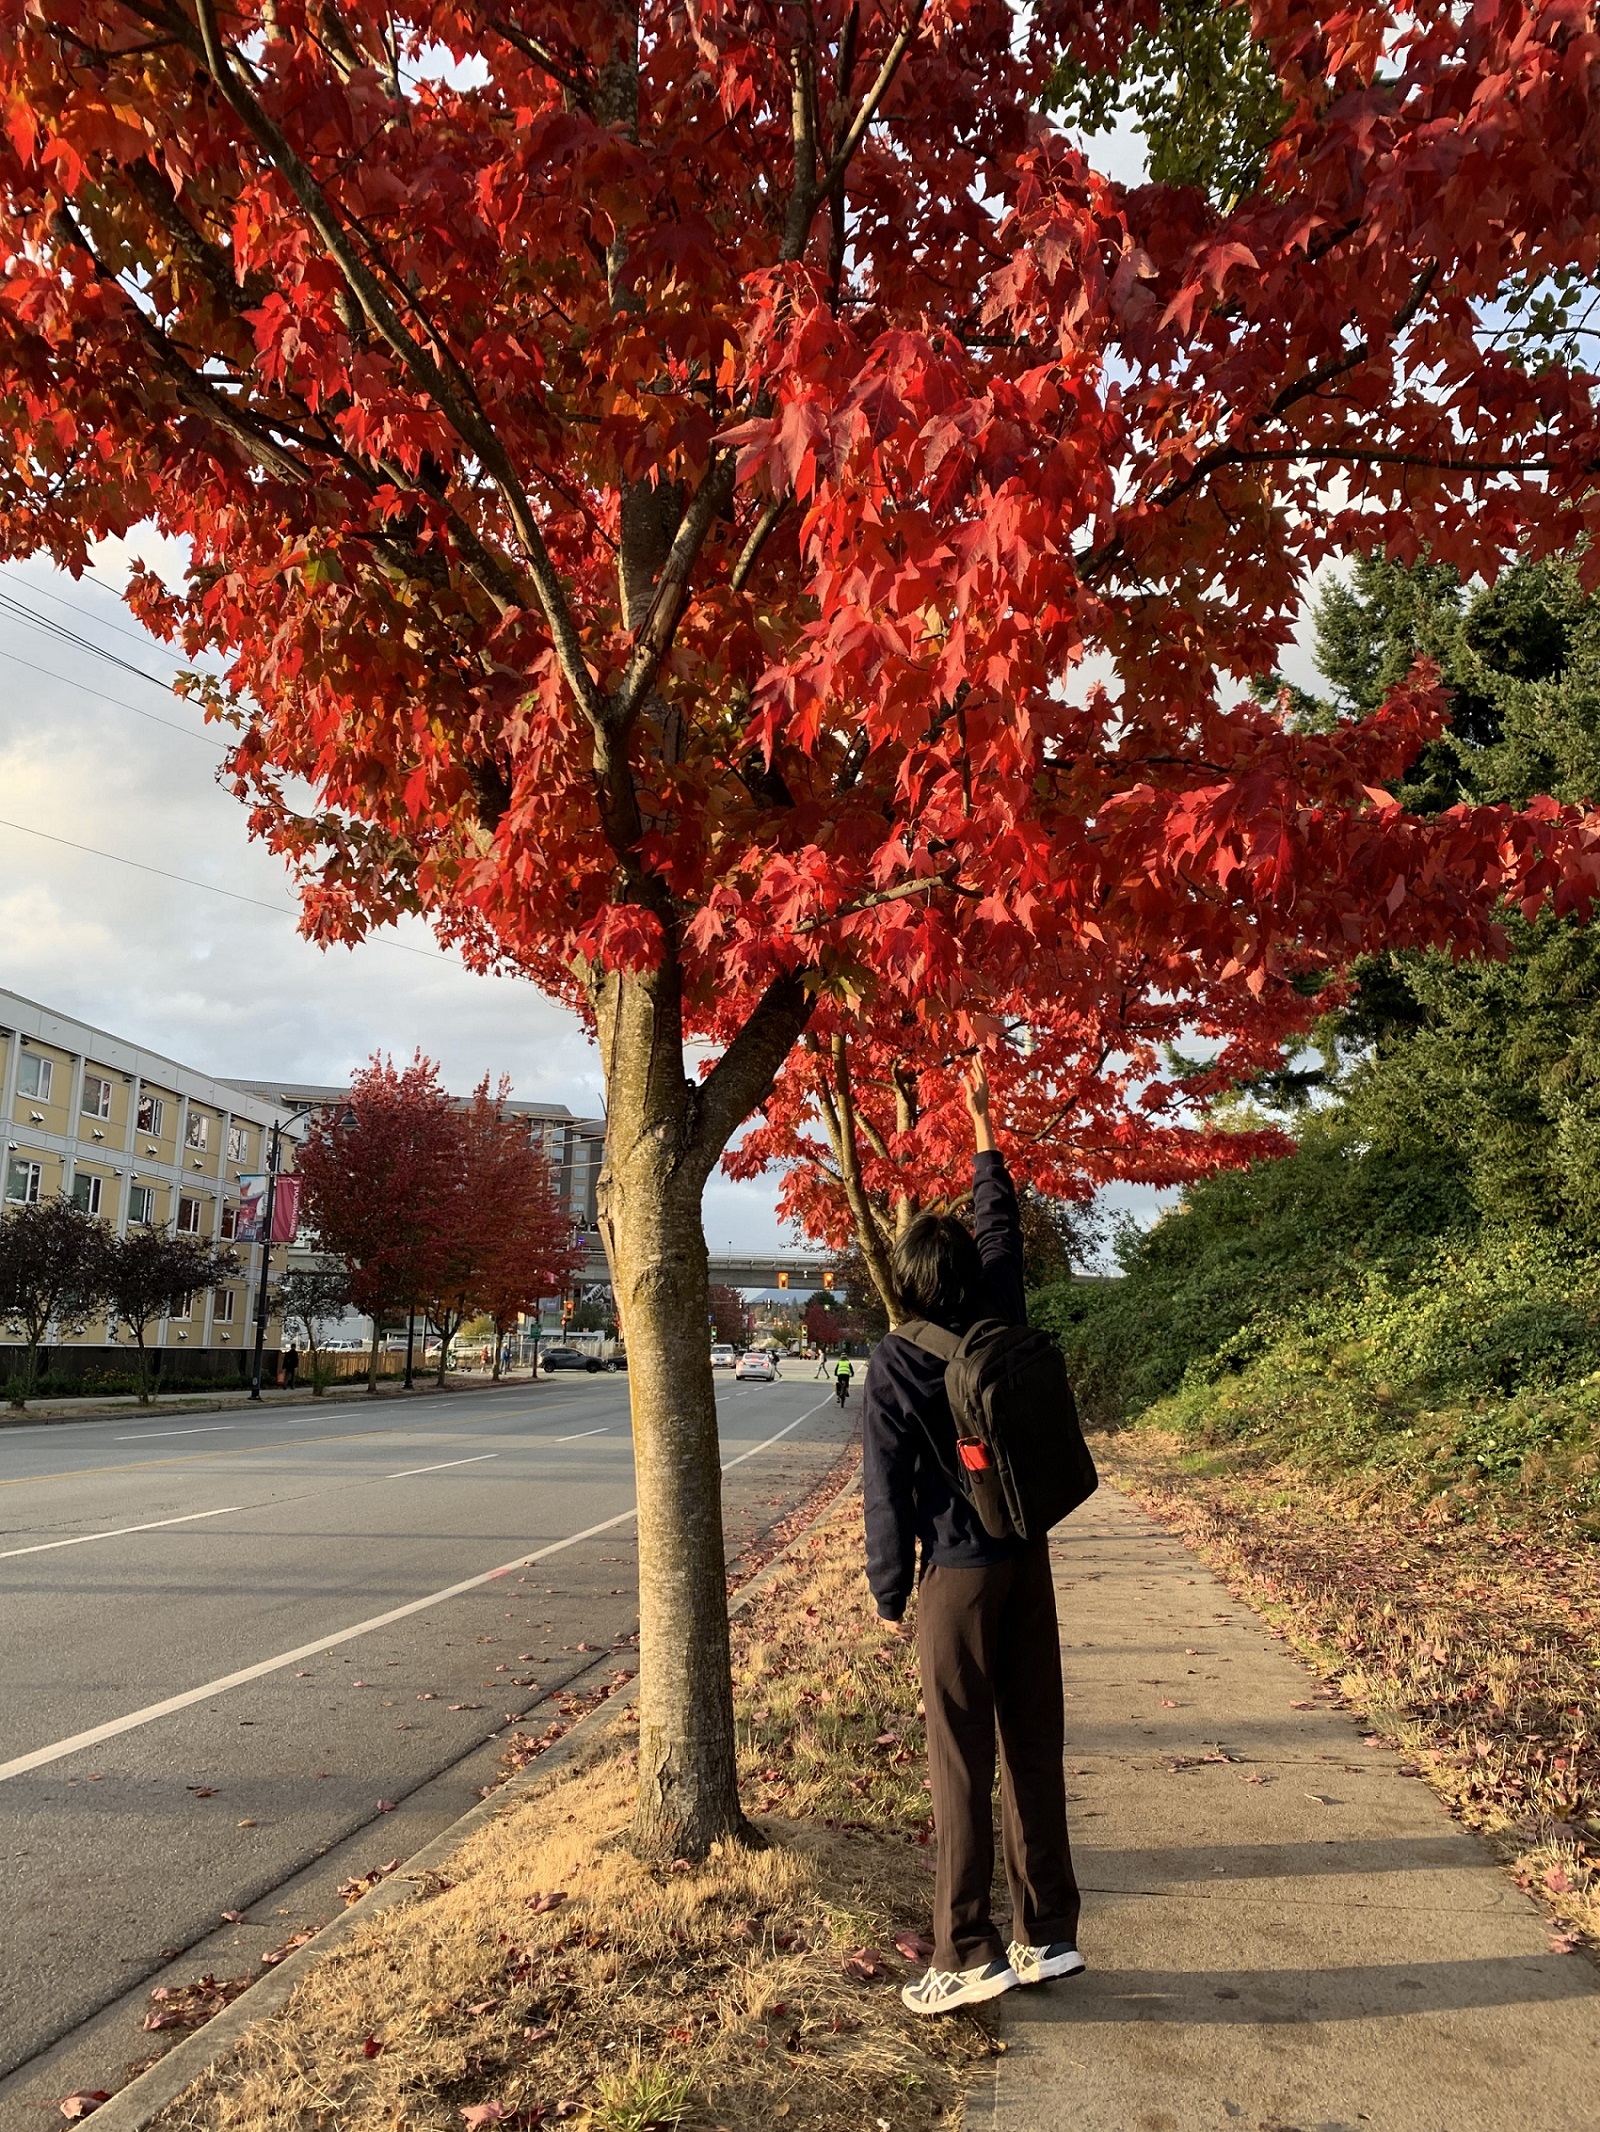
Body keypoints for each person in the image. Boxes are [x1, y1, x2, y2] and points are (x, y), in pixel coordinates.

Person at [862, 1062, 1081, 2016]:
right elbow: (1000, 1224)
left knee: (960, 1762)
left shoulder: (894, 1361)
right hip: (1028, 1559)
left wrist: (888, 1591)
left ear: (908, 1285)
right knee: (1034, 1744)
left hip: (957, 1577)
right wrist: (986, 1126)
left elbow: (887, 1494)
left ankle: (966, 1950)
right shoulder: (1002, 1313)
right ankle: (1049, 1937)